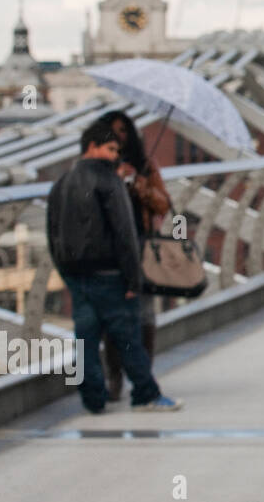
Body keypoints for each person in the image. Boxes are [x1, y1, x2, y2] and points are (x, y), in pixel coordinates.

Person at [46, 119, 182, 414]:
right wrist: (134, 279)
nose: (115, 155)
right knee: (128, 338)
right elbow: (124, 233)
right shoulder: (109, 181)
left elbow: (51, 230)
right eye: (110, 148)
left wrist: (65, 271)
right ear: (92, 147)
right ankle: (145, 394)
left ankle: (93, 400)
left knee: (85, 340)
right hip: (111, 275)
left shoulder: (61, 183)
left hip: (76, 276)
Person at [100, 110, 173, 403]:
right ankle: (114, 378)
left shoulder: (145, 166)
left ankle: (144, 376)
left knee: (144, 314)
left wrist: (139, 184)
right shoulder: (100, 168)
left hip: (141, 246)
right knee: (112, 317)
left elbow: (163, 204)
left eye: (124, 130)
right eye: (113, 131)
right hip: (110, 251)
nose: (119, 136)